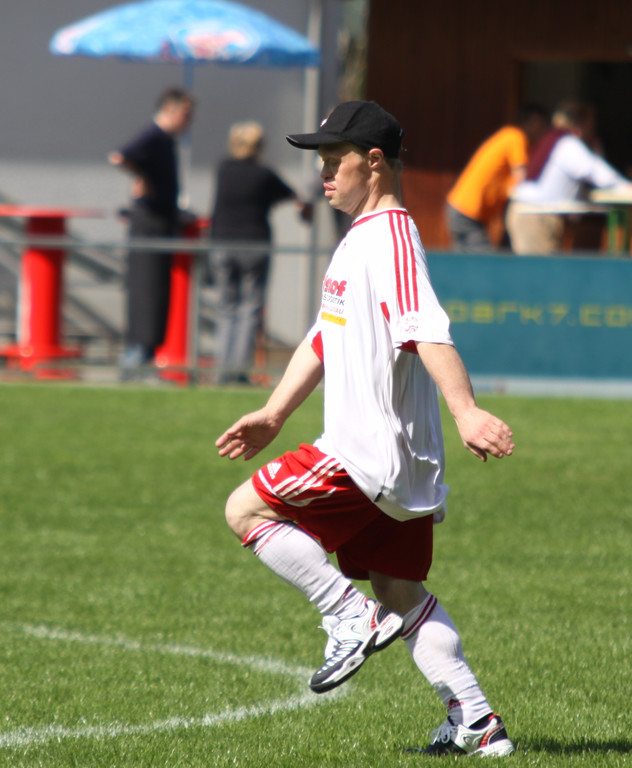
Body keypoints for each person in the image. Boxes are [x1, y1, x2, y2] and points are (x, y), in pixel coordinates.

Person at [215, 100, 516, 757]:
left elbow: (425, 329)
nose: (322, 174)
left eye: (334, 161)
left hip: (367, 452)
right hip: (399, 463)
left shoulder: (390, 238)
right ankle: (476, 721)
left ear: (373, 162)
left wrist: (465, 409)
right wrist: (273, 414)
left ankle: (346, 615)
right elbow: (325, 335)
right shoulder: (362, 238)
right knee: (397, 586)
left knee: (245, 509)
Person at [209, 121, 312, 383]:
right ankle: (237, 371)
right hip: (254, 245)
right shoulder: (263, 174)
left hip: (221, 244)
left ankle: (222, 370)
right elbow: (294, 195)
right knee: (249, 309)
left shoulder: (223, 170)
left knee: (226, 308)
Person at [109, 87, 194, 373]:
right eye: (186, 114)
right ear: (170, 110)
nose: (189, 121)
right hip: (149, 224)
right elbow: (120, 156)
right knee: (147, 289)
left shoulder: (166, 140)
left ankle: (145, 355)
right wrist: (141, 177)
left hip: (162, 222)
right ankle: (138, 356)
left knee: (157, 292)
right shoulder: (154, 135)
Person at [506, 99, 632, 255]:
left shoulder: (552, 139)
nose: (593, 129)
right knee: (542, 269)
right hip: (535, 216)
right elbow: (595, 172)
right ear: (580, 124)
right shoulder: (568, 143)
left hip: (530, 213)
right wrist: (630, 187)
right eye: (591, 123)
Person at [446, 104, 549, 251]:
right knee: (484, 261)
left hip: (462, 208)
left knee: (465, 260)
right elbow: (521, 178)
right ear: (531, 121)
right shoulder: (515, 136)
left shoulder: (508, 136)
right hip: (467, 211)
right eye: (541, 124)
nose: (543, 130)